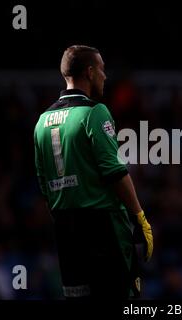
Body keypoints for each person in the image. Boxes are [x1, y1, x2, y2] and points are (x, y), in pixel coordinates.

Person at [33, 45, 153, 300]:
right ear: (89, 72)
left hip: (65, 229)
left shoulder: (41, 122)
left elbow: (44, 183)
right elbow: (115, 172)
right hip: (104, 228)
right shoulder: (94, 112)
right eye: (102, 69)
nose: (105, 76)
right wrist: (139, 217)